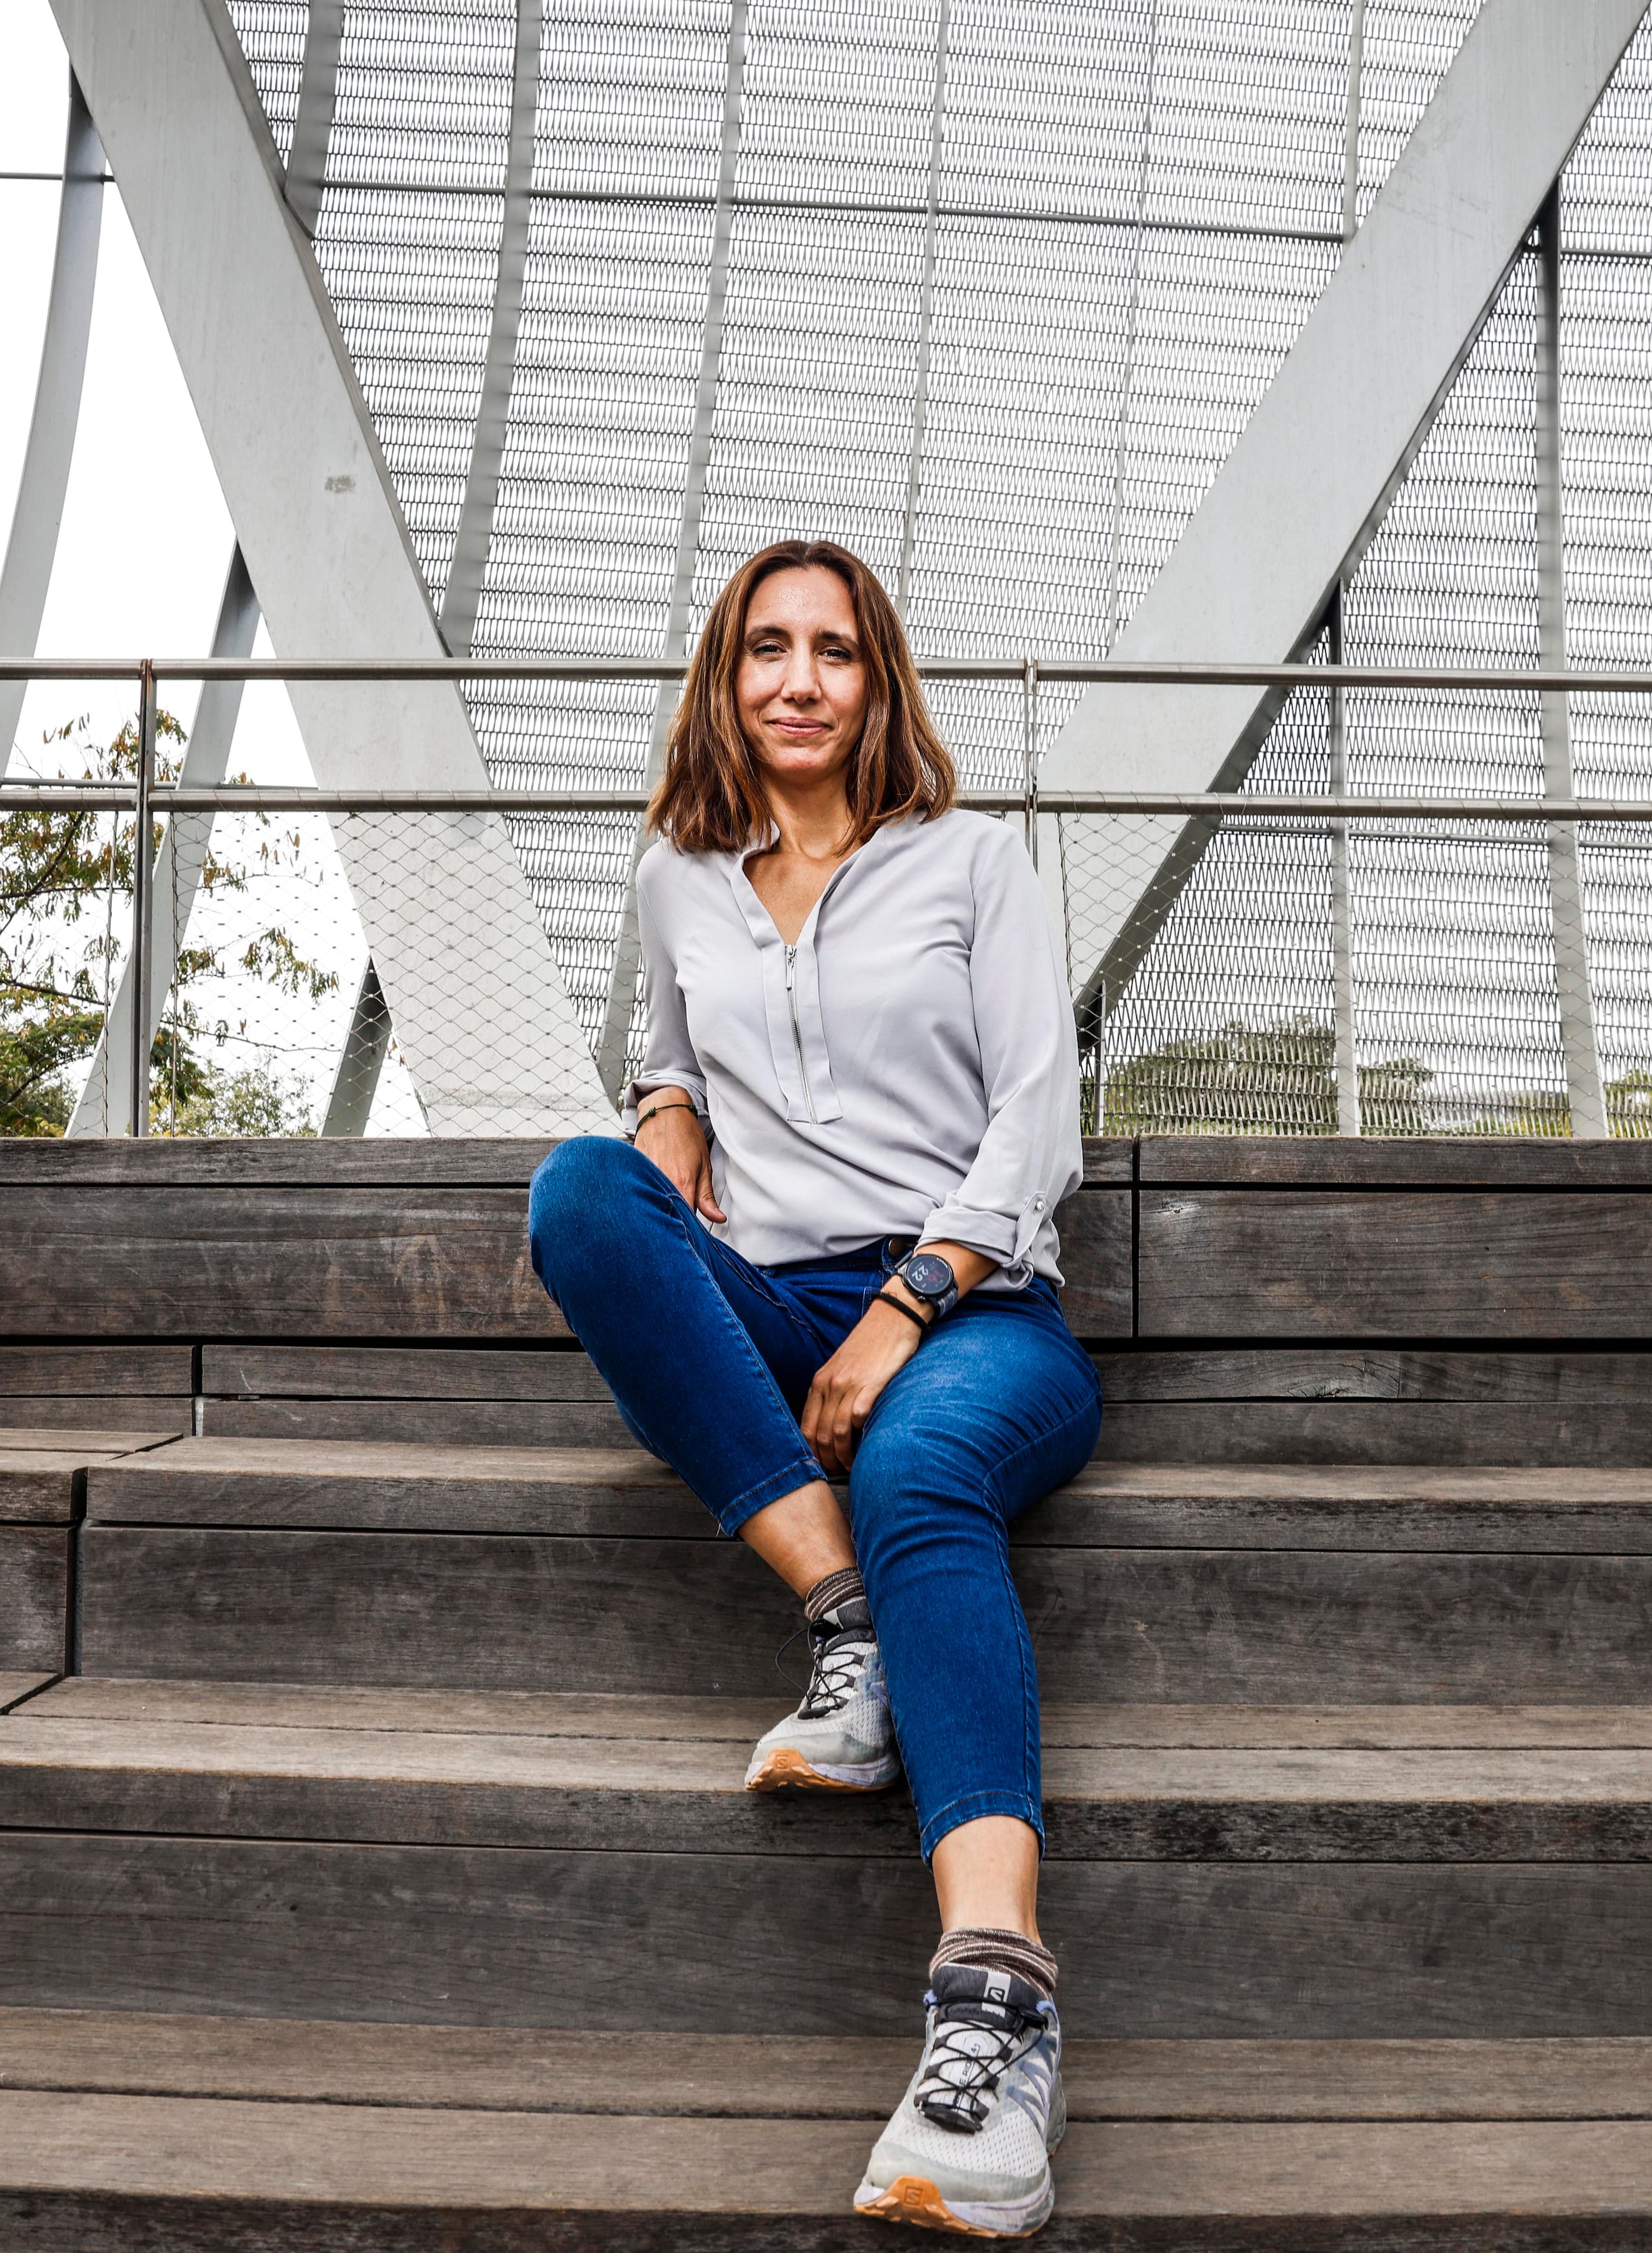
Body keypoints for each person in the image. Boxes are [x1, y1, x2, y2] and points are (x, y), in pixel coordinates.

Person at [523, 536, 1096, 2238]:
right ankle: (843, 1626)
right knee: (579, 1190)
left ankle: (997, 2004)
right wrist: (674, 1127)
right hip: (771, 1296)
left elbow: (1034, 1123)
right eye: (763, 649)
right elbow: (663, 1066)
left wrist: (911, 1302)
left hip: (982, 1311)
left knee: (922, 1470)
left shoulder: (973, 862)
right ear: (724, 679)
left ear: (877, 682)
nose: (795, 679)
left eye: (830, 651)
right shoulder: (675, 875)